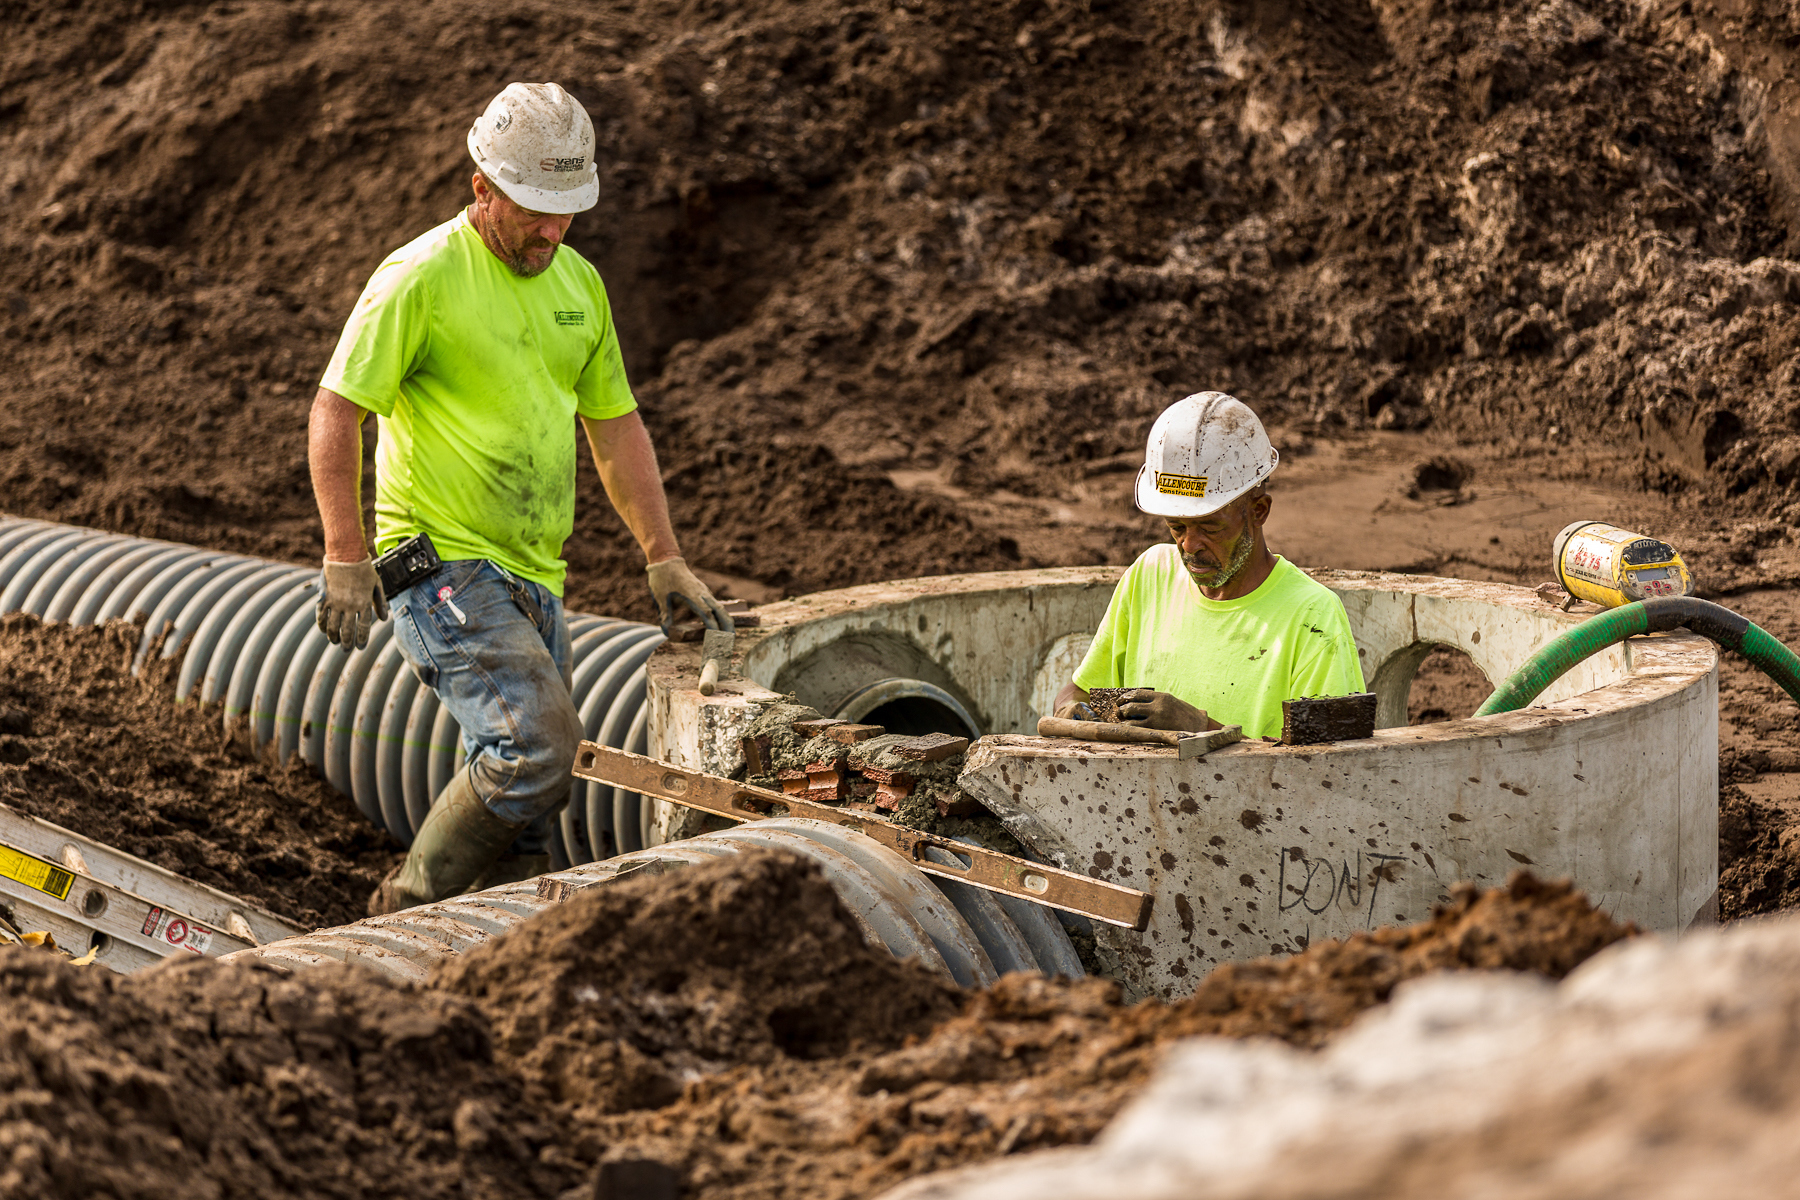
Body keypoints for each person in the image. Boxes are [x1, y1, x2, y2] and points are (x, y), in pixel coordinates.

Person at [307, 82, 729, 914]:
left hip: (536, 574)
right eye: (534, 209)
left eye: (566, 211)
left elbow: (616, 429)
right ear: (482, 189)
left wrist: (664, 557)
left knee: (541, 797)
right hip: (439, 563)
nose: (550, 230)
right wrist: (345, 557)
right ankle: (403, 905)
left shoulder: (580, 286)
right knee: (536, 744)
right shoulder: (420, 277)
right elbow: (336, 411)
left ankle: (485, 957)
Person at [1053, 392, 1364, 740]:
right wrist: (1072, 711)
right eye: (1177, 527)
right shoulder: (1149, 576)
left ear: (1258, 511)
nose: (1189, 546)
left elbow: (1328, 770)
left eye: (1210, 527)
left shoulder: (1313, 616)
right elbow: (1081, 693)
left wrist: (1202, 729)